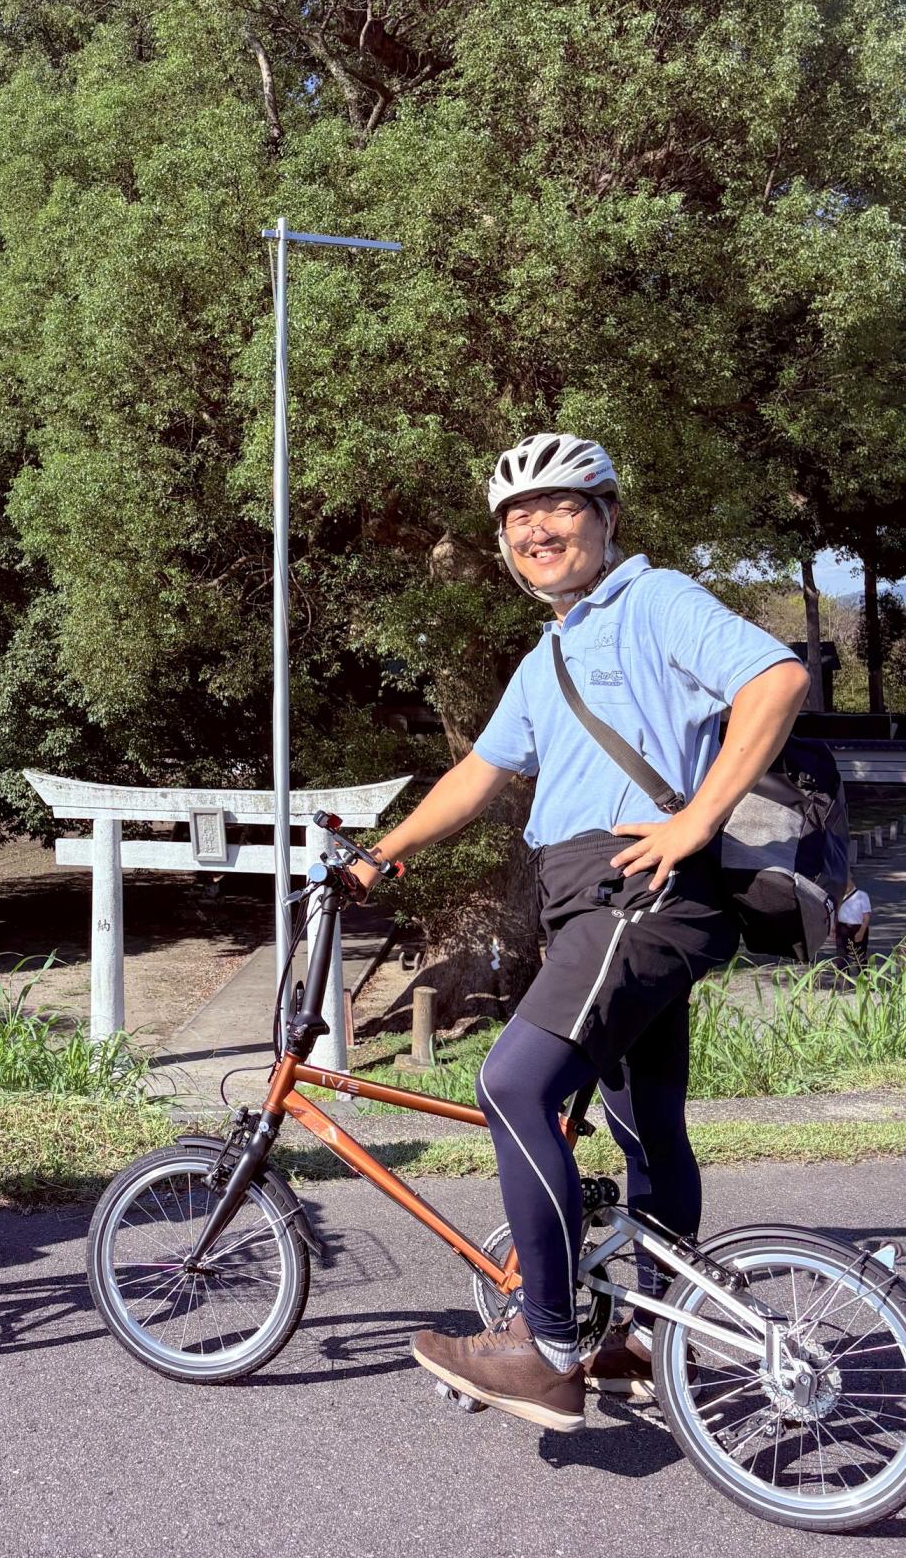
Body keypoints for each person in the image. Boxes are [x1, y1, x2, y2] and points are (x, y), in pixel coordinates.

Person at [346, 435, 808, 1431]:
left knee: (514, 1084)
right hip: (596, 901)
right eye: (516, 520)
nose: (535, 530)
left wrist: (695, 818)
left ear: (606, 517)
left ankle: (546, 1343)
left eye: (557, 508)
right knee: (647, 1129)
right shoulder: (550, 651)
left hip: (632, 889)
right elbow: (481, 771)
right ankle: (652, 1339)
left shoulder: (653, 599)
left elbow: (773, 678)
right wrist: (386, 853)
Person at [835, 878, 872, 970]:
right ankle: (844, 982)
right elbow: (836, 913)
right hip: (842, 928)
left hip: (857, 928)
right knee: (841, 958)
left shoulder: (862, 895)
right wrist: (834, 929)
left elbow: (866, 916)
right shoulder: (839, 895)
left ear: (852, 882)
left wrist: (861, 932)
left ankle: (863, 980)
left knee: (860, 957)